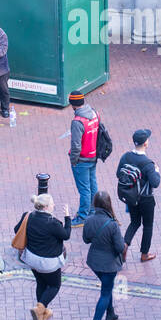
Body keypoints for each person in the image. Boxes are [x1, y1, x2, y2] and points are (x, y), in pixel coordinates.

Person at [17, 192, 70, 320]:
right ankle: (39, 309)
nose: (54, 205)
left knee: (41, 283)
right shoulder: (52, 223)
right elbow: (66, 235)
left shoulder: (27, 216)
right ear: (46, 207)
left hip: (32, 259)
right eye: (52, 203)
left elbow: (16, 229)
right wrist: (67, 217)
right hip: (48, 263)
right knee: (54, 285)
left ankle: (42, 314)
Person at [83, 191, 126, 320]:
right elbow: (120, 247)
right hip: (109, 265)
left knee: (106, 287)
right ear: (109, 204)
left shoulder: (88, 220)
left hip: (94, 262)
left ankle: (111, 313)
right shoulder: (113, 225)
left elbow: (86, 240)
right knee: (105, 293)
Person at [116, 128, 161, 261]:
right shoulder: (148, 164)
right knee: (147, 225)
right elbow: (155, 183)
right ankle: (144, 254)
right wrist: (157, 171)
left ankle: (124, 245)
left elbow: (119, 174)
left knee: (134, 222)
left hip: (131, 197)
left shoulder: (126, 156)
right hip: (146, 199)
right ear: (146, 143)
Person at [67, 91, 100, 226]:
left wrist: (73, 160)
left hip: (82, 159)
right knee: (93, 184)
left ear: (72, 104)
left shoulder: (77, 122)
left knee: (84, 189)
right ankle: (93, 210)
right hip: (93, 156)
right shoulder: (94, 113)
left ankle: (82, 216)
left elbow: (76, 145)